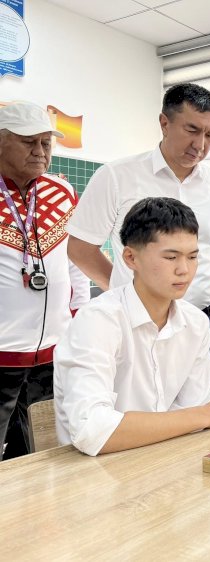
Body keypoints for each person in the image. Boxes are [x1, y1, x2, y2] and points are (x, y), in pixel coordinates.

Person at [66, 83, 210, 397]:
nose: (200, 144)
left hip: (206, 321)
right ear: (164, 123)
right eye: (191, 130)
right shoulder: (117, 176)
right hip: (138, 326)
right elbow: (80, 248)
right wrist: (130, 293)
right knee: (134, 415)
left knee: (197, 415)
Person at [54, 198, 210, 456]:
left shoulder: (196, 323)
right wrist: (207, 415)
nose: (184, 270)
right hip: (94, 469)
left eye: (192, 257)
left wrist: (201, 416)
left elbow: (192, 419)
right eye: (171, 257)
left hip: (163, 461)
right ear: (131, 258)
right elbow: (92, 431)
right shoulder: (98, 320)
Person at [0, 101, 89, 460]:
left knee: (45, 454)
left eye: (46, 143)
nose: (40, 152)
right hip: (2, 354)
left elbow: (76, 261)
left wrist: (80, 320)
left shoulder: (63, 192)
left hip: (53, 353)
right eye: (28, 142)